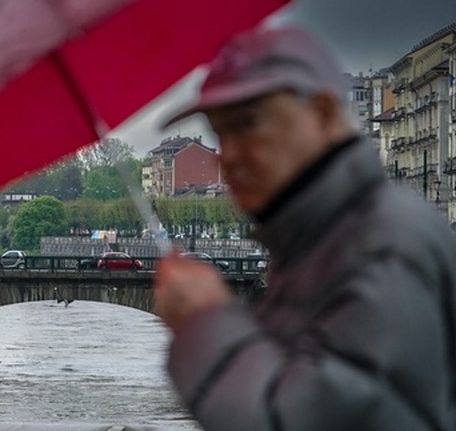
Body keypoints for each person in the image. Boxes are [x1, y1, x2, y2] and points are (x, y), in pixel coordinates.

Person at [153, 24, 456, 430]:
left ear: (324, 113)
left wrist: (205, 323)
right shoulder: (319, 244)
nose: (229, 156)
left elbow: (315, 418)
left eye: (248, 124)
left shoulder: (382, 243)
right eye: (219, 134)